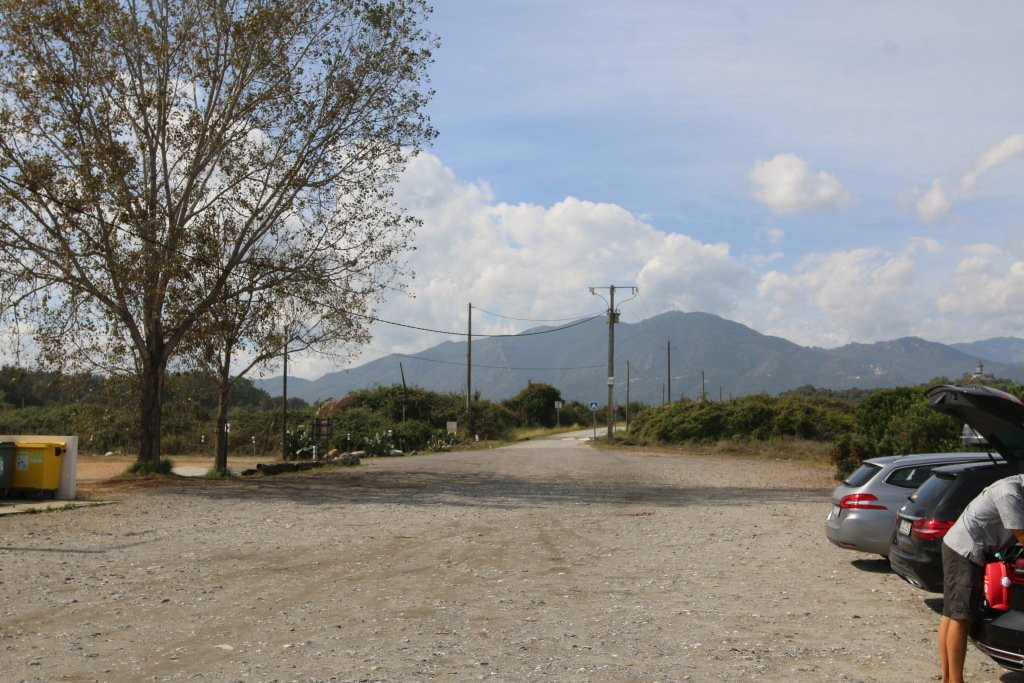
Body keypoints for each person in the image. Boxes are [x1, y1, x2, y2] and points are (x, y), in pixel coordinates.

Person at [939, 473, 1024, 682]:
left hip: (958, 546)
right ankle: (955, 680)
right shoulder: (1009, 493)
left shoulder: (1016, 488)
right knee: (961, 617)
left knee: (951, 614)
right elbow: (1022, 536)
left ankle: (948, 678)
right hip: (965, 551)